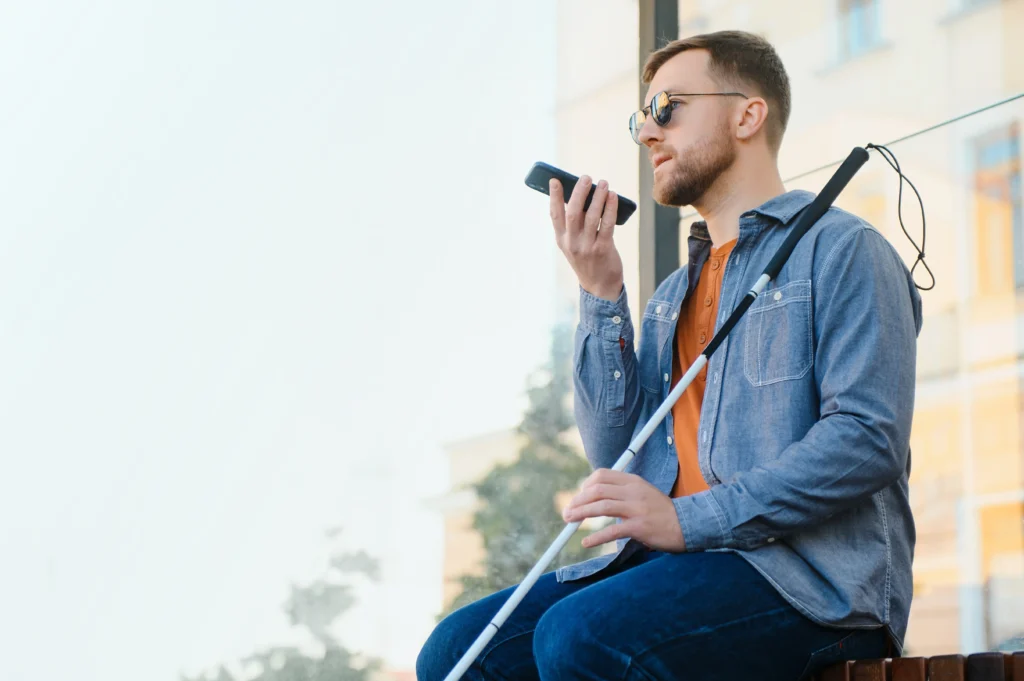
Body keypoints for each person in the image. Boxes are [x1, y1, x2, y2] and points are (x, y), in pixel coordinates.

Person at [417, 30, 922, 681]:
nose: (648, 134)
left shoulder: (844, 250)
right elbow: (616, 445)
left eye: (668, 109)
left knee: (581, 637)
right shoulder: (671, 297)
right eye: (641, 118)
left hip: (809, 585)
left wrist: (686, 518)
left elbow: (866, 439)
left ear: (747, 114)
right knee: (457, 652)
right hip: (673, 568)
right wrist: (600, 289)